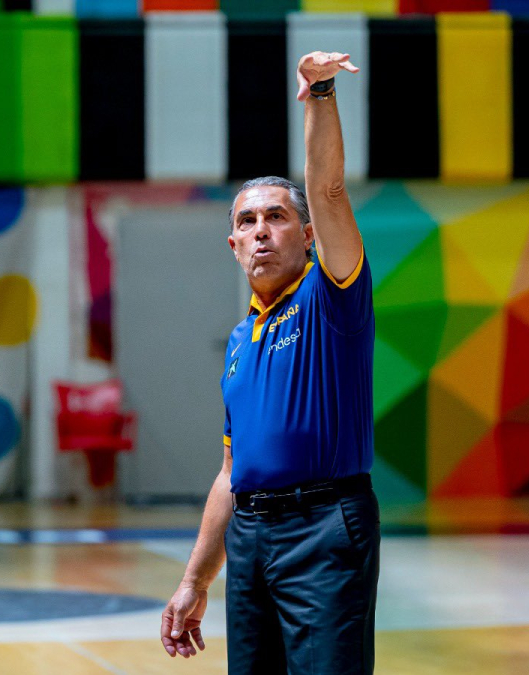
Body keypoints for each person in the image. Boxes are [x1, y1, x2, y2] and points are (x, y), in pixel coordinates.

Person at [161, 52, 380, 674]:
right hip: (251, 539)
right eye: (247, 222)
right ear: (233, 246)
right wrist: (195, 579)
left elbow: (330, 190)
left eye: (277, 217)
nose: (261, 231)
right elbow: (233, 472)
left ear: (308, 235)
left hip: (326, 527)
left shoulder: (331, 296)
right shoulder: (238, 343)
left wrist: (321, 92)